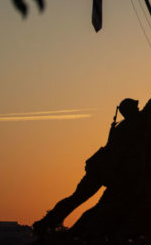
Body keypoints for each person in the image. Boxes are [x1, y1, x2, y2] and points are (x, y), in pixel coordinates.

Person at [33, 97, 143, 236]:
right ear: (130, 111)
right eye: (135, 107)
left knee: (79, 198)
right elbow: (147, 112)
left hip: (104, 169)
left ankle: (49, 224)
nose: (138, 109)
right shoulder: (128, 126)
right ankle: (48, 224)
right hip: (105, 170)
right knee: (81, 198)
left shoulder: (126, 125)